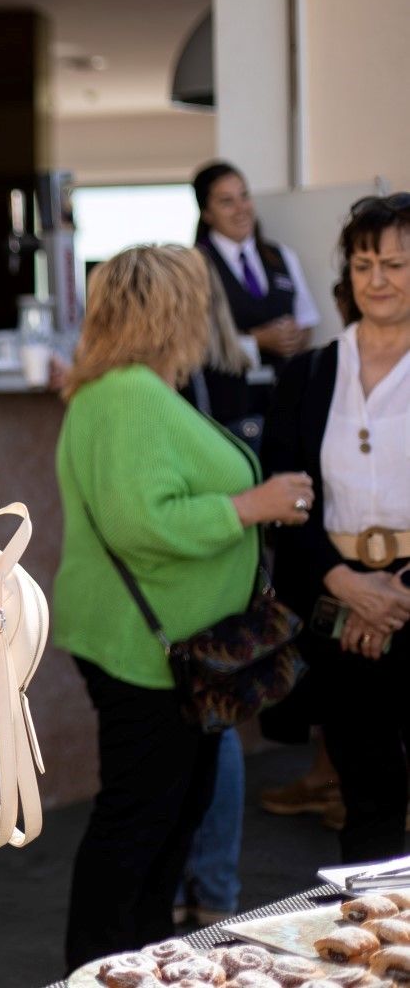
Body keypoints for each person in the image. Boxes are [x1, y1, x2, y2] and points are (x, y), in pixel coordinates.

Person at [54, 244, 314, 971]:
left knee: (163, 818)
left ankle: (131, 962)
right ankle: (100, 967)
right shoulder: (129, 394)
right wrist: (249, 505)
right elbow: (146, 522)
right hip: (149, 650)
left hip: (162, 649)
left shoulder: (123, 390)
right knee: (141, 822)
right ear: (171, 310)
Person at [263, 193, 410, 863]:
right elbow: (287, 502)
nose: (378, 279)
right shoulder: (309, 373)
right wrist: (347, 584)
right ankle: (366, 953)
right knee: (366, 796)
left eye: (397, 264)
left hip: (404, 600)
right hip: (336, 606)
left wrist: (393, 597)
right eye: (364, 263)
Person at [173, 268, 256, 929]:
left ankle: (200, 893)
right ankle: (214, 894)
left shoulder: (179, 378)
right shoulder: (233, 361)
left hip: (194, 567)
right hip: (229, 567)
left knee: (204, 730)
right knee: (216, 724)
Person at [192, 160, 322, 366]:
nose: (240, 209)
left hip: (283, 387)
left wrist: (294, 337)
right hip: (227, 390)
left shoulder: (282, 255)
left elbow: (307, 319)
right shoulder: (194, 266)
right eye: (227, 202)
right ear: (207, 213)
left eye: (244, 196)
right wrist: (256, 341)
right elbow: (194, 342)